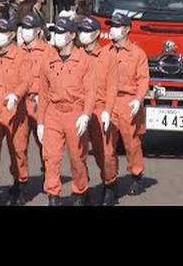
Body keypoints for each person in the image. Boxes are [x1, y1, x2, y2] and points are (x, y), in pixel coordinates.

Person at [37, 17, 96, 206]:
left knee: (77, 158)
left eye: (61, 33)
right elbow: (43, 92)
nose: (57, 36)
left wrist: (85, 115)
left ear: (72, 35)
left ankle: (80, 191)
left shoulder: (84, 60)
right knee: (51, 157)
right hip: (54, 113)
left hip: (75, 113)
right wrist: (40, 122)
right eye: (55, 32)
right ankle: (53, 195)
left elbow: (90, 91)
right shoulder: (49, 60)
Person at [0, 18, 34, 205]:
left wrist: (16, 95)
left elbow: (26, 80)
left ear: (12, 34)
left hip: (16, 111)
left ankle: (21, 183)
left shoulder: (21, 56)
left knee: (18, 150)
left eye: (2, 31)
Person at [106, 13, 150, 196]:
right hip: (109, 102)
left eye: (116, 26)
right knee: (107, 144)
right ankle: (110, 180)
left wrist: (138, 99)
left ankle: (136, 175)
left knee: (131, 143)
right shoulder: (105, 52)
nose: (111, 30)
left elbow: (143, 79)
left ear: (126, 29)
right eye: (111, 26)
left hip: (128, 102)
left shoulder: (137, 54)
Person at [77, 15, 119, 206]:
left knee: (106, 154)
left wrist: (108, 111)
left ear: (95, 34)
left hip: (101, 109)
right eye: (81, 31)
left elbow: (112, 87)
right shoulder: (76, 55)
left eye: (86, 31)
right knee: (77, 154)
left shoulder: (108, 56)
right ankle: (82, 191)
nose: (82, 35)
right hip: (80, 110)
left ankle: (109, 184)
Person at [18, 13, 53, 176]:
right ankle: (21, 180)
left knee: (44, 141)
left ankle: (49, 173)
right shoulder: (19, 52)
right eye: (23, 27)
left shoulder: (48, 52)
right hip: (22, 102)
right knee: (19, 143)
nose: (25, 31)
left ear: (38, 31)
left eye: (29, 28)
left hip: (40, 102)